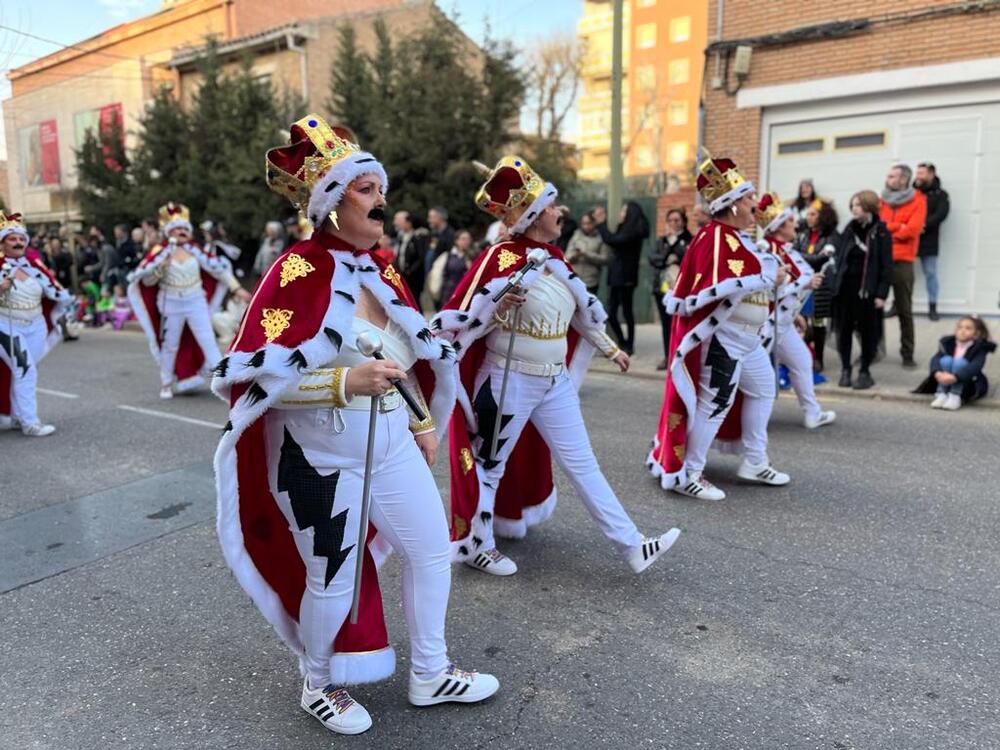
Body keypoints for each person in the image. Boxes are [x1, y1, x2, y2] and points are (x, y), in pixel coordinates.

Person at [215, 114, 498, 735]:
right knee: (332, 580)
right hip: (318, 459)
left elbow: (404, 361)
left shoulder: (382, 268)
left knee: (430, 554)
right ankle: (317, 681)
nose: (382, 199)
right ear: (330, 202)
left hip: (392, 442)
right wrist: (343, 381)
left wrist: (423, 420)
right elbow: (257, 382)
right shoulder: (294, 272)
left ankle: (430, 672)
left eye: (379, 187)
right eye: (366, 189)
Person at [435, 155, 679, 578]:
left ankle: (633, 545)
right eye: (550, 208)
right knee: (490, 466)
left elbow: (582, 314)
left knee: (583, 465)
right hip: (508, 378)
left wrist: (610, 348)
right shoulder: (499, 259)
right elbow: (459, 323)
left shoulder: (555, 259)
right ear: (531, 216)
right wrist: (496, 307)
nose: (558, 213)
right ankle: (478, 544)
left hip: (554, 381)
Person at [648, 150, 789, 501]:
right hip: (724, 338)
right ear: (734, 204)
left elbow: (750, 273)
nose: (755, 204)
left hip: (749, 339)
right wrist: (770, 274)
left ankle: (755, 461)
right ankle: (689, 472)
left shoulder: (740, 239)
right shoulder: (714, 237)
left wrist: (770, 275)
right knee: (716, 403)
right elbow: (721, 282)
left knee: (763, 389)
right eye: (749, 197)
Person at [127, 202, 251, 399]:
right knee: (171, 344)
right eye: (176, 229)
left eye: (184, 228)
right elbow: (147, 281)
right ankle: (166, 382)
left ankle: (224, 381)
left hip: (195, 300)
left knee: (208, 340)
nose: (181, 232)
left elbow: (218, 270)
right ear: (169, 232)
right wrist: (160, 268)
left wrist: (236, 288)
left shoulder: (197, 250)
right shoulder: (161, 252)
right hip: (171, 304)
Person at [755, 192, 835, 428]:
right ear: (779, 227)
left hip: (784, 322)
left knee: (801, 360)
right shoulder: (767, 251)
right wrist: (805, 284)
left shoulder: (787, 249)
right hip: (767, 324)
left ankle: (812, 413)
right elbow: (767, 290)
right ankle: (744, 421)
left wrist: (796, 314)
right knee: (753, 375)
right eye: (790, 221)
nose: (795, 224)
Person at [0, 212, 75, 436]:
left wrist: (67, 302)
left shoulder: (34, 264)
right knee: (26, 370)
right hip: (6, 325)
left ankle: (17, 415)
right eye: (12, 238)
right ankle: (30, 423)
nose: (18, 242)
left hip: (36, 324)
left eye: (21, 238)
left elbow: (53, 288)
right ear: (2, 243)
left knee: (21, 370)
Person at [829, 190, 893, 390]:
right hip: (846, 290)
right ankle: (846, 369)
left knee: (869, 333)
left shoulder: (880, 231)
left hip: (868, 292)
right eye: (853, 205)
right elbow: (839, 258)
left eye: (857, 205)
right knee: (844, 331)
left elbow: (887, 266)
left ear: (868, 206)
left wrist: (882, 294)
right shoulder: (849, 229)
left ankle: (865, 371)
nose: (853, 209)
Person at [880, 163, 927, 368]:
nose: (887, 179)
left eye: (892, 176)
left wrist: (892, 231)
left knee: (904, 310)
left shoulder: (918, 199)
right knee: (873, 308)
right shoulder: (882, 199)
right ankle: (873, 350)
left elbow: (913, 230)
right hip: (880, 260)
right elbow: (878, 226)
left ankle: (907, 354)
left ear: (903, 180)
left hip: (902, 261)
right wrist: (897, 226)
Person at [593, 200, 650, 355]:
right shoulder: (624, 229)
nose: (620, 214)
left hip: (625, 277)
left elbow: (611, 240)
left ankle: (628, 344)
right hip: (617, 276)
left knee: (626, 311)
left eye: (623, 211)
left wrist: (601, 223)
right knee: (612, 313)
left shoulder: (633, 233)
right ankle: (623, 342)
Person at [793, 199, 838, 372]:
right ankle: (804, 356)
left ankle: (819, 358)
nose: (809, 217)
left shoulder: (831, 235)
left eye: (813, 214)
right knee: (802, 322)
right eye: (808, 214)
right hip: (804, 284)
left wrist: (800, 256)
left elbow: (823, 258)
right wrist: (806, 257)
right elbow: (796, 254)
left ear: (823, 216)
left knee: (819, 323)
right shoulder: (803, 234)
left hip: (821, 286)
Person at [915, 316, 994, 410]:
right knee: (946, 360)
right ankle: (942, 394)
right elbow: (936, 359)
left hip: (968, 383)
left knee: (959, 363)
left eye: (968, 328)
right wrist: (937, 373)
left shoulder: (979, 348)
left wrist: (955, 377)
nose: (963, 330)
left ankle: (955, 396)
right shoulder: (948, 343)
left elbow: (975, 366)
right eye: (960, 327)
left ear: (976, 334)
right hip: (945, 380)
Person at [649, 207, 692, 370]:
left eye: (677, 220)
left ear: (683, 222)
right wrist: (669, 253)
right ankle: (668, 355)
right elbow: (654, 258)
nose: (674, 223)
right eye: (671, 220)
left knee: (681, 323)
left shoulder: (689, 240)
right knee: (666, 324)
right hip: (662, 286)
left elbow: (686, 259)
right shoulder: (662, 241)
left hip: (681, 288)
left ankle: (681, 356)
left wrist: (675, 250)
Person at [914, 163, 950, 321]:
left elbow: (941, 214)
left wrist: (923, 226)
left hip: (928, 239)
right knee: (901, 274)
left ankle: (933, 307)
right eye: (917, 173)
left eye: (921, 173)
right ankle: (897, 305)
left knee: (930, 273)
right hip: (909, 238)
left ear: (931, 174)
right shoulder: (911, 193)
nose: (918, 176)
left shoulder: (940, 194)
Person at [564, 210, 610, 295]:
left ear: (594, 223)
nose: (586, 226)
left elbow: (605, 259)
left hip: (591, 281)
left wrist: (586, 254)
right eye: (583, 223)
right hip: (574, 278)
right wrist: (575, 255)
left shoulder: (601, 237)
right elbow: (567, 257)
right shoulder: (576, 235)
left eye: (588, 223)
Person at [393, 210, 429, 305]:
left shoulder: (418, 236)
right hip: (402, 274)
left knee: (414, 300)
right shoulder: (401, 236)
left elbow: (421, 257)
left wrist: (410, 271)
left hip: (414, 277)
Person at [438, 229, 473, 306]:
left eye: (468, 239)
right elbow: (446, 273)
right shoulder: (449, 255)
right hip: (450, 291)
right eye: (463, 239)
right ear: (456, 241)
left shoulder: (473, 255)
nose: (466, 242)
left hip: (466, 293)